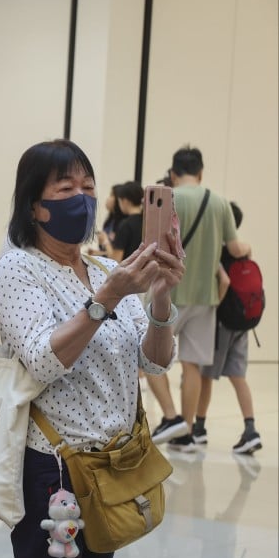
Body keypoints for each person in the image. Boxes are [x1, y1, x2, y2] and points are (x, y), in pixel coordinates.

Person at [0, 139, 183, 558]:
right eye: (66, 187)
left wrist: (159, 299)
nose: (82, 197)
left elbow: (155, 362)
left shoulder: (107, 268)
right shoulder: (18, 270)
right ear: (36, 206)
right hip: (54, 474)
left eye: (89, 186)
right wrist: (106, 301)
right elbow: (43, 358)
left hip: (110, 468)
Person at [149, 146, 250, 451]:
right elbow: (234, 249)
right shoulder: (219, 202)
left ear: (173, 173)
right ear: (201, 172)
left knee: (148, 359)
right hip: (206, 298)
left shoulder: (168, 199)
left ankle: (170, 416)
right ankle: (188, 432)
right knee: (191, 365)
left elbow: (151, 244)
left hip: (168, 293)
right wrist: (244, 249)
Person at [196, 202, 262, 454]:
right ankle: (250, 429)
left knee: (205, 376)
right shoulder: (243, 250)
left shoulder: (218, 251)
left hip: (222, 321)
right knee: (238, 377)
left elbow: (223, 281)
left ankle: (199, 428)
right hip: (243, 322)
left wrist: (215, 305)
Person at [106, 181, 144, 262]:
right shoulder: (146, 222)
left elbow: (115, 261)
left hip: (128, 271)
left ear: (125, 201)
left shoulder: (125, 225)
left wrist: (106, 242)